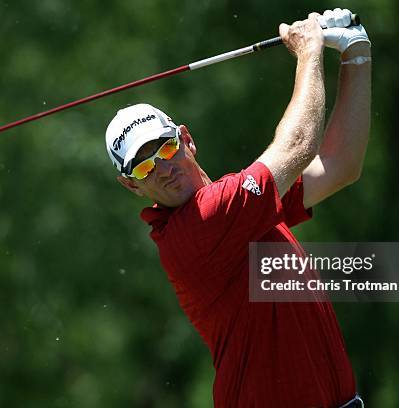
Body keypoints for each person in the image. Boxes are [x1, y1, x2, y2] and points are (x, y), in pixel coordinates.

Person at [105, 8, 371, 408]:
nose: (161, 168)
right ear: (132, 186)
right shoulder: (201, 226)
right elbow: (298, 146)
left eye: (164, 148)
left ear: (185, 140)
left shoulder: (242, 209)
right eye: (143, 166)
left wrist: (356, 54)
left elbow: (340, 166)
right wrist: (309, 50)